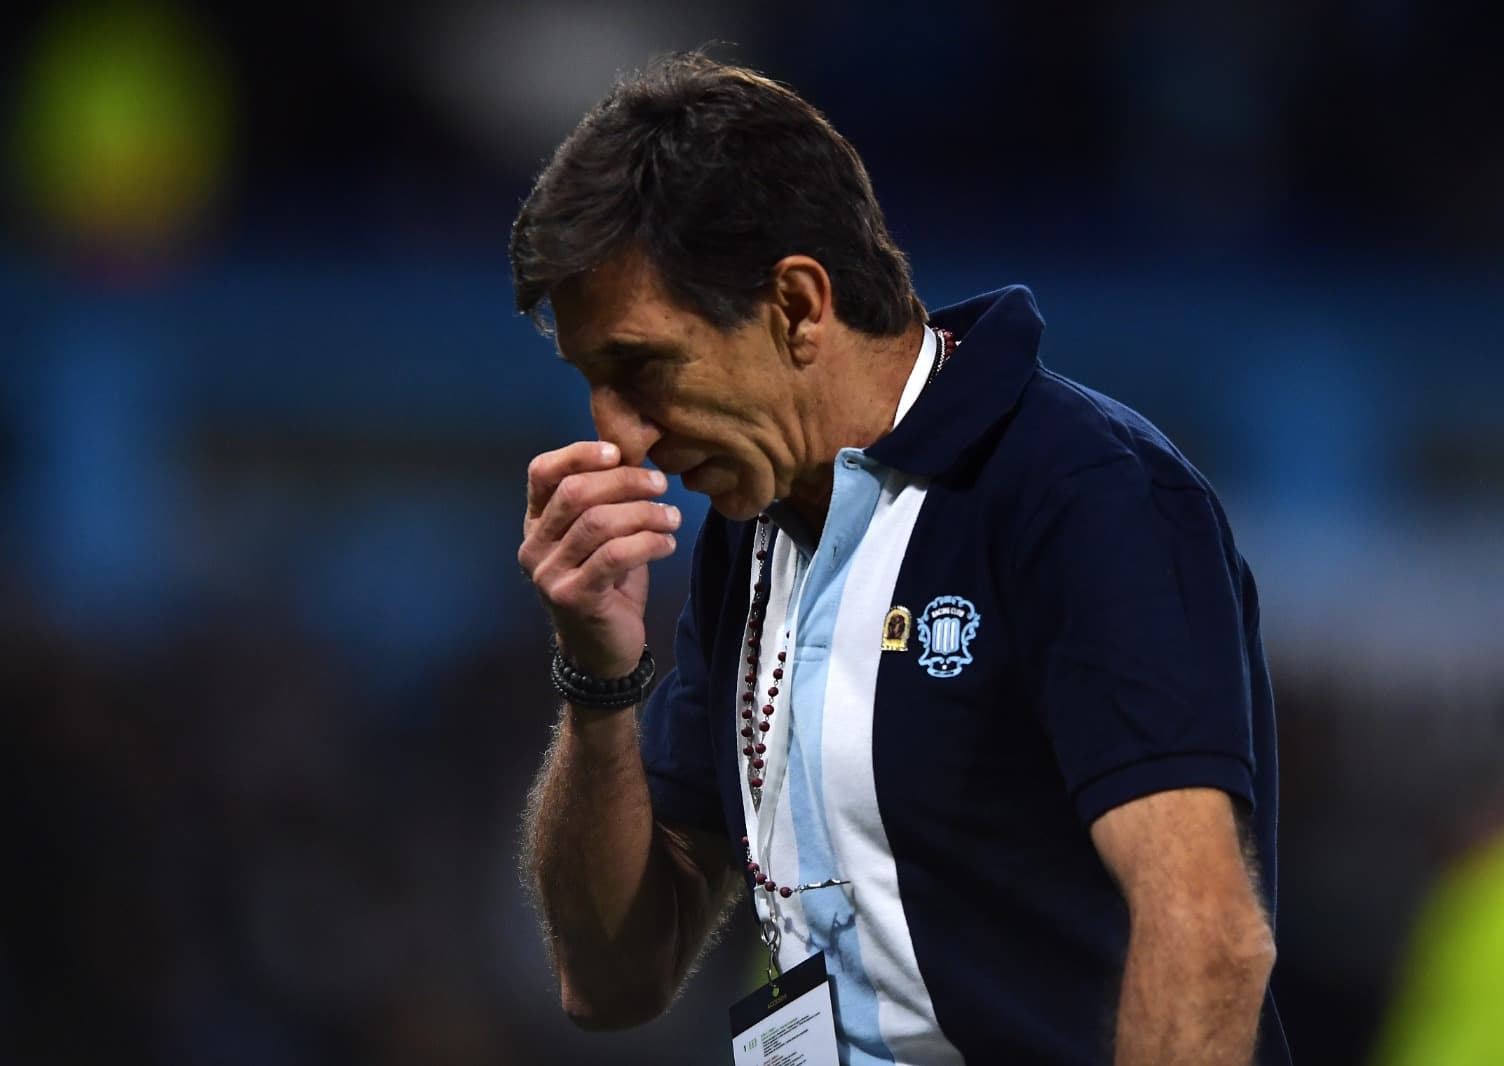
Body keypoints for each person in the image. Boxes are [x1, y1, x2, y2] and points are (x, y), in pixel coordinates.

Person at [512, 52, 1289, 1065]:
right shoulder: (749, 533)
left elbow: (1207, 940)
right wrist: (599, 680)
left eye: (640, 365)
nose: (619, 437)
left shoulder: (1080, 495)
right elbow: (613, 978)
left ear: (796, 305)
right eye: (590, 380)